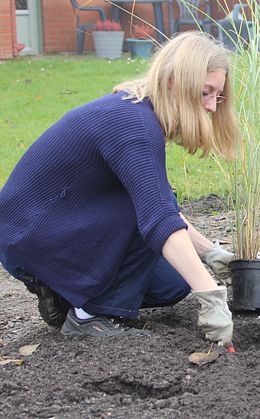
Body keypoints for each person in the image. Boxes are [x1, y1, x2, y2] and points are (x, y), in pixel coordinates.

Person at [0, 32, 237, 344]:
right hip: (28, 236)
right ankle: (90, 317)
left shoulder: (139, 113)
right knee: (148, 216)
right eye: (205, 93)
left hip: (46, 231)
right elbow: (158, 217)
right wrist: (211, 296)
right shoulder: (134, 126)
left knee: (173, 282)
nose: (210, 107)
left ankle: (64, 294)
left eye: (217, 97)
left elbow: (160, 208)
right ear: (172, 82)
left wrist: (210, 253)